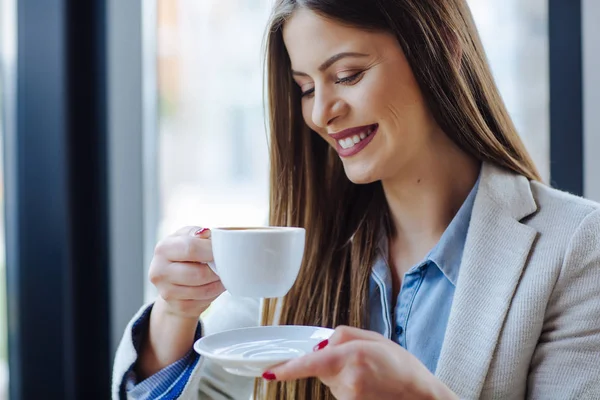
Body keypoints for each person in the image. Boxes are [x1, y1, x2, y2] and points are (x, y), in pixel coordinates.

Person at [112, 0, 600, 399]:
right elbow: (202, 391)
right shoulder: (296, 254)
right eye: (305, 88)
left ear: (443, 47)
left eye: (346, 75)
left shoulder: (574, 248)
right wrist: (175, 315)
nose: (322, 113)